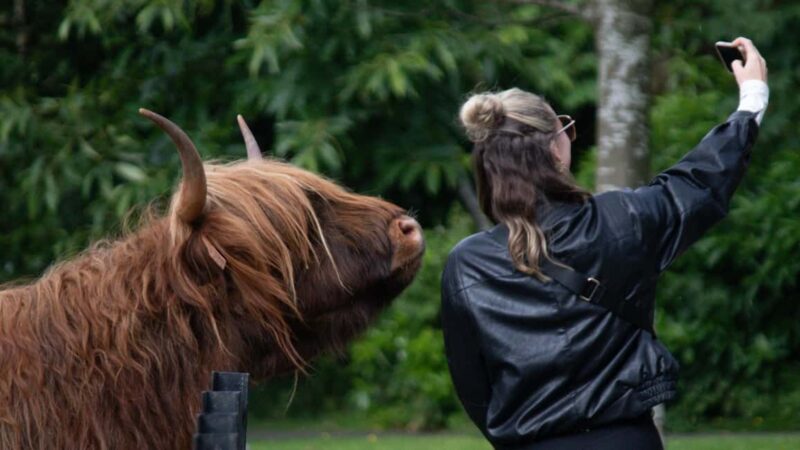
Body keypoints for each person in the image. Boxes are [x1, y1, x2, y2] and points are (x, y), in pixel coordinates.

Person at [440, 37, 768, 450]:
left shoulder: (466, 265)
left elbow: (473, 385)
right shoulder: (620, 221)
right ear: (554, 149)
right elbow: (701, 181)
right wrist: (752, 98)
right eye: (566, 129)